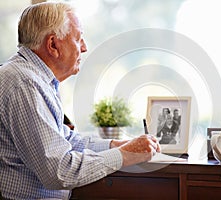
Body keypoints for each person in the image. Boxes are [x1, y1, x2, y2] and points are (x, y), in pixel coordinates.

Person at [0, 2, 160, 199]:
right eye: (78, 39)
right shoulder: (25, 83)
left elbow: (66, 139)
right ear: (53, 45)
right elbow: (59, 171)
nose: (84, 48)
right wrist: (125, 155)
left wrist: (117, 145)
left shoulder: (35, 78)